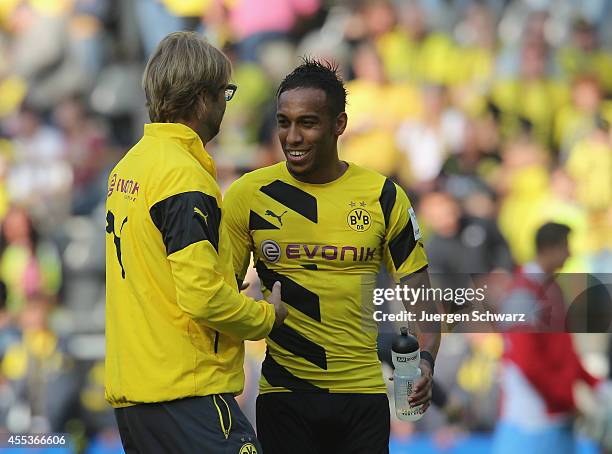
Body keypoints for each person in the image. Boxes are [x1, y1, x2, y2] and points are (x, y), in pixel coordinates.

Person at [224, 58, 440, 454]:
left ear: (339, 124)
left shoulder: (383, 196)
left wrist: (424, 361)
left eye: (307, 122)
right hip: (284, 394)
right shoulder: (248, 195)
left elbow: (422, 304)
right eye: (283, 122)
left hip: (361, 396)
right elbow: (219, 295)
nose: (292, 136)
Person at [105, 31, 287, 454]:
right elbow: (201, 298)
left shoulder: (129, 166)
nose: (227, 103)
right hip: (187, 394)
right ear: (203, 98)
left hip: (137, 396)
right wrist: (266, 316)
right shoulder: (182, 176)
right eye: (226, 92)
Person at [493, 222, 600, 454]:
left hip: (555, 418)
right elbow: (526, 361)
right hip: (529, 421)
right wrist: (566, 399)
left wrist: (594, 384)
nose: (570, 253)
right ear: (549, 249)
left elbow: (564, 351)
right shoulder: (522, 294)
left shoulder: (552, 289)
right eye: (565, 246)